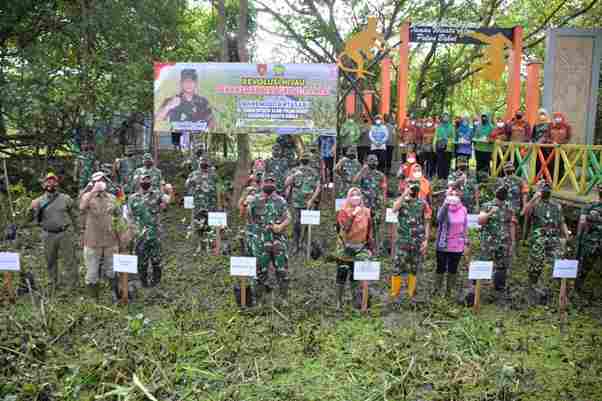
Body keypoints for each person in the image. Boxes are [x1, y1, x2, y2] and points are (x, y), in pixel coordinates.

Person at [523, 180, 570, 303]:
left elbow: (562, 221)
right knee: (536, 263)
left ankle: (554, 290)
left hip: (554, 238)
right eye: (544, 190)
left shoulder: (556, 205)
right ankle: (532, 284)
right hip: (538, 239)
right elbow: (524, 212)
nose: (546, 192)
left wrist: (566, 234)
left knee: (557, 262)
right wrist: (534, 198)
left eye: (548, 190)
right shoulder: (535, 204)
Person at [30, 173, 78, 293]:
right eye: (48, 181)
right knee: (50, 260)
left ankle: (71, 286)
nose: (50, 183)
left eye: (53, 181)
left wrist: (80, 232)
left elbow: (75, 216)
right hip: (48, 235)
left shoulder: (66, 199)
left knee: (69, 260)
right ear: (43, 184)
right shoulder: (38, 201)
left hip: (64, 233)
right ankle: (53, 284)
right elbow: (29, 219)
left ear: (57, 184)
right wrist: (31, 208)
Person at [248, 174, 291, 304]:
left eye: (271, 182)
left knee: (282, 270)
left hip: (278, 240)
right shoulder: (254, 200)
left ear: (275, 185)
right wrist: (245, 203)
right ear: (262, 183)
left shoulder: (281, 200)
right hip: (260, 240)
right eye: (266, 181)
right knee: (260, 271)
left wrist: (281, 226)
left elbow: (288, 217)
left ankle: (283, 299)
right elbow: (247, 218)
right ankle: (259, 300)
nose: (269, 184)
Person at [79, 172, 121, 300]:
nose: (100, 183)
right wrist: (93, 191)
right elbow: (81, 207)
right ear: (92, 183)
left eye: (103, 180)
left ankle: (115, 294)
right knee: (92, 273)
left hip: (111, 241)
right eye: (97, 181)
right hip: (93, 241)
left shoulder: (112, 198)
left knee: (112, 270)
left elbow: (118, 215)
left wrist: (121, 236)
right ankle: (94, 300)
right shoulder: (87, 196)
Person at [391, 178, 430, 304]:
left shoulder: (423, 203)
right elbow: (394, 209)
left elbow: (427, 222)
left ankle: (410, 293)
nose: (413, 188)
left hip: (417, 241)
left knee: (414, 267)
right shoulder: (402, 201)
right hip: (403, 240)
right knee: (398, 266)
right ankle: (395, 293)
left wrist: (426, 240)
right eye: (411, 186)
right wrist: (404, 194)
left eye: (415, 186)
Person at [127, 174, 170, 287]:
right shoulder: (132, 198)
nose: (145, 181)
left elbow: (168, 201)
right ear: (139, 182)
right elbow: (129, 216)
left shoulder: (157, 194)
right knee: (141, 259)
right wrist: (131, 231)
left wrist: (168, 190)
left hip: (155, 233)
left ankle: (156, 282)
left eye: (148, 180)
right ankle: (143, 282)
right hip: (140, 234)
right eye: (143, 180)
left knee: (156, 259)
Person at [335, 187, 374, 309]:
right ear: (348, 198)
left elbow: (370, 230)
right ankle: (339, 302)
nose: (355, 197)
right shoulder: (343, 211)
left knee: (356, 275)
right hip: (345, 246)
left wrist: (370, 247)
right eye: (352, 195)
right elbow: (345, 228)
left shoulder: (366, 212)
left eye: (358, 195)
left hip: (360, 247)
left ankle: (356, 300)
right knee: (342, 273)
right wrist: (353, 214)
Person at [478, 185, 517, 304]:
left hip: (504, 242)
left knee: (502, 267)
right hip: (489, 242)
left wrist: (513, 241)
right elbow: (480, 221)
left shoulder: (509, 207)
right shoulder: (487, 205)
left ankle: (498, 291)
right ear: (496, 193)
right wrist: (490, 213)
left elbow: (511, 224)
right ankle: (480, 292)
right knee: (484, 264)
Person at [434, 187, 468, 298]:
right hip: (443, 244)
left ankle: (449, 292)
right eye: (451, 195)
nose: (454, 197)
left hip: (457, 245)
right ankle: (437, 291)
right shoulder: (444, 208)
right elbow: (439, 219)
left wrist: (466, 242)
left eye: (456, 195)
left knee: (453, 269)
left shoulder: (463, 209)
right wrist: (445, 203)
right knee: (441, 268)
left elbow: (465, 227)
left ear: (460, 196)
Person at [285, 152, 321, 255]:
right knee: (296, 223)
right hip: (297, 202)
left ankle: (304, 243)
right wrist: (293, 176)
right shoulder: (294, 170)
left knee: (308, 224)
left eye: (306, 158)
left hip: (309, 202)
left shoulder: (314, 172)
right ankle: (296, 244)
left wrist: (312, 200)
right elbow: (286, 183)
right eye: (303, 158)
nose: (305, 160)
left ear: (309, 160)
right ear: (300, 160)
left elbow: (318, 187)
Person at [185, 156, 219, 254]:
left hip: (210, 204)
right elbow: (187, 185)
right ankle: (200, 245)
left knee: (210, 225)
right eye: (202, 161)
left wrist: (220, 202)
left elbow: (219, 187)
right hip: (198, 204)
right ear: (199, 163)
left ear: (208, 163)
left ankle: (209, 245)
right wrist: (191, 181)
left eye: (205, 161)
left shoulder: (213, 174)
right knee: (199, 225)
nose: (204, 163)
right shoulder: (193, 174)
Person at [353, 154, 386, 250]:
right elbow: (354, 181)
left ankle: (375, 247)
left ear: (377, 163)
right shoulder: (363, 174)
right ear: (367, 162)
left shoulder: (381, 175)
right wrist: (362, 170)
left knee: (376, 226)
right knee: (364, 225)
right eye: (371, 161)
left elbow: (383, 190)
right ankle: (363, 247)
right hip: (365, 205)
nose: (373, 163)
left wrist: (383, 204)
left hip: (377, 205)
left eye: (375, 161)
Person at [575, 182, 602, 293]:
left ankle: (579, 285)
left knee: (586, 265)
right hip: (591, 242)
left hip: (593, 242)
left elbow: (582, 223)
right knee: (585, 265)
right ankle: (578, 286)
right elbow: (582, 222)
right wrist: (579, 239)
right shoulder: (590, 205)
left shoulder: (590, 205)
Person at [498, 161, 529, 241]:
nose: (508, 169)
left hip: (513, 209)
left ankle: (512, 244)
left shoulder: (519, 181)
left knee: (512, 227)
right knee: (506, 227)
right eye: (507, 167)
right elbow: (497, 195)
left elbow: (524, 194)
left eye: (509, 167)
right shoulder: (502, 181)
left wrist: (524, 207)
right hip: (506, 208)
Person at [548, 112, 572, 180]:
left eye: (559, 117)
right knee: (551, 164)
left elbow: (568, 137)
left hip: (562, 148)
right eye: (556, 117)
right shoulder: (550, 126)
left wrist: (561, 143)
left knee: (561, 164)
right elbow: (547, 136)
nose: (557, 119)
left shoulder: (567, 126)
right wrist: (552, 142)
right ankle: (550, 180)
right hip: (551, 148)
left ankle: (559, 180)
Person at [238, 186, 258, 256]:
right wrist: (245, 204)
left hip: (255, 225)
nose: (253, 193)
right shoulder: (244, 203)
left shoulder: (258, 201)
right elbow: (241, 215)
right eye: (250, 192)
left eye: (254, 192)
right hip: (246, 225)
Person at [435, 113, 455, 180]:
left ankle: (446, 176)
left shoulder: (451, 127)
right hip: (440, 146)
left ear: (448, 118)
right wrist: (439, 139)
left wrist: (448, 140)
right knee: (440, 162)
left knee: (447, 162)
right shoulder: (439, 126)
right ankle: (440, 176)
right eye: (444, 117)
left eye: (447, 117)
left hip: (448, 146)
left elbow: (453, 137)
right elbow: (436, 136)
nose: (445, 118)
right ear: (442, 118)